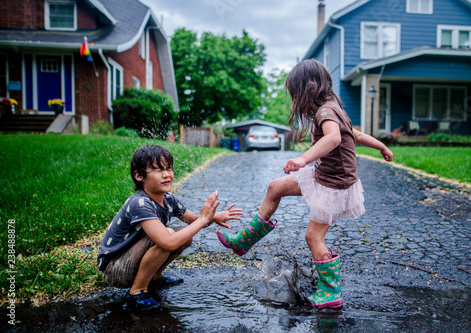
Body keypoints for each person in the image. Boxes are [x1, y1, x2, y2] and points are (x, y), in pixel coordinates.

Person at [217, 59, 393, 309]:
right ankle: (244, 241)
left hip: (334, 185)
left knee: (313, 237)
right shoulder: (332, 108)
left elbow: (333, 138)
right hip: (322, 176)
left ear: (308, 88)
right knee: (275, 187)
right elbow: (355, 134)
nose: (295, 100)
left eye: (295, 93)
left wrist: (303, 159)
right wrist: (382, 146)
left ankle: (331, 291)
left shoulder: (326, 111)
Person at [98, 145, 243, 312]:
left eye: (168, 168)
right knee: (167, 236)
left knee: (183, 235)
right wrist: (203, 219)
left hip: (131, 258)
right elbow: (167, 242)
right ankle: (137, 291)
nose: (167, 174)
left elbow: (193, 222)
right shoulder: (139, 202)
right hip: (115, 268)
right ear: (139, 176)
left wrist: (212, 217)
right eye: (158, 170)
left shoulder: (168, 199)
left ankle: (154, 277)